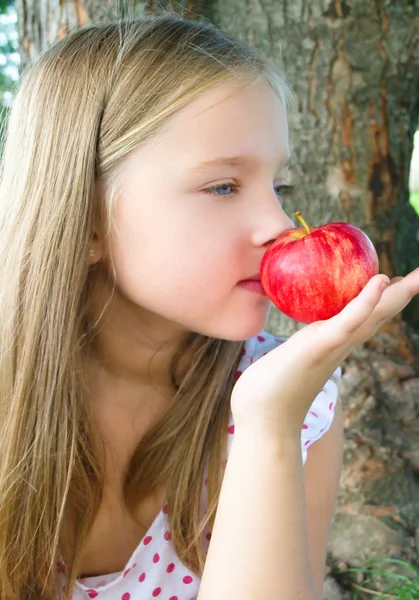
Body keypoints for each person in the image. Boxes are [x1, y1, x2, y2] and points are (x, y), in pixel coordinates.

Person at [0, 10, 417, 600]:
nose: (278, 224)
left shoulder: (297, 402)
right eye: (223, 186)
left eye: (281, 188)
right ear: (87, 219)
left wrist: (268, 425)